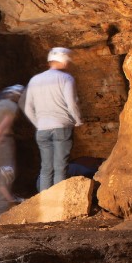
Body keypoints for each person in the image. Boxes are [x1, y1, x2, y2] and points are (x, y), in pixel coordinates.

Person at [22, 47, 83, 193]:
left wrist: (38, 124)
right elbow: (71, 103)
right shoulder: (66, 78)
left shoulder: (35, 80)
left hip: (42, 129)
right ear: (63, 60)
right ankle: (59, 205)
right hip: (61, 127)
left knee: (46, 168)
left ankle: (44, 205)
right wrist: (78, 120)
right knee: (60, 168)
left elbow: (27, 106)